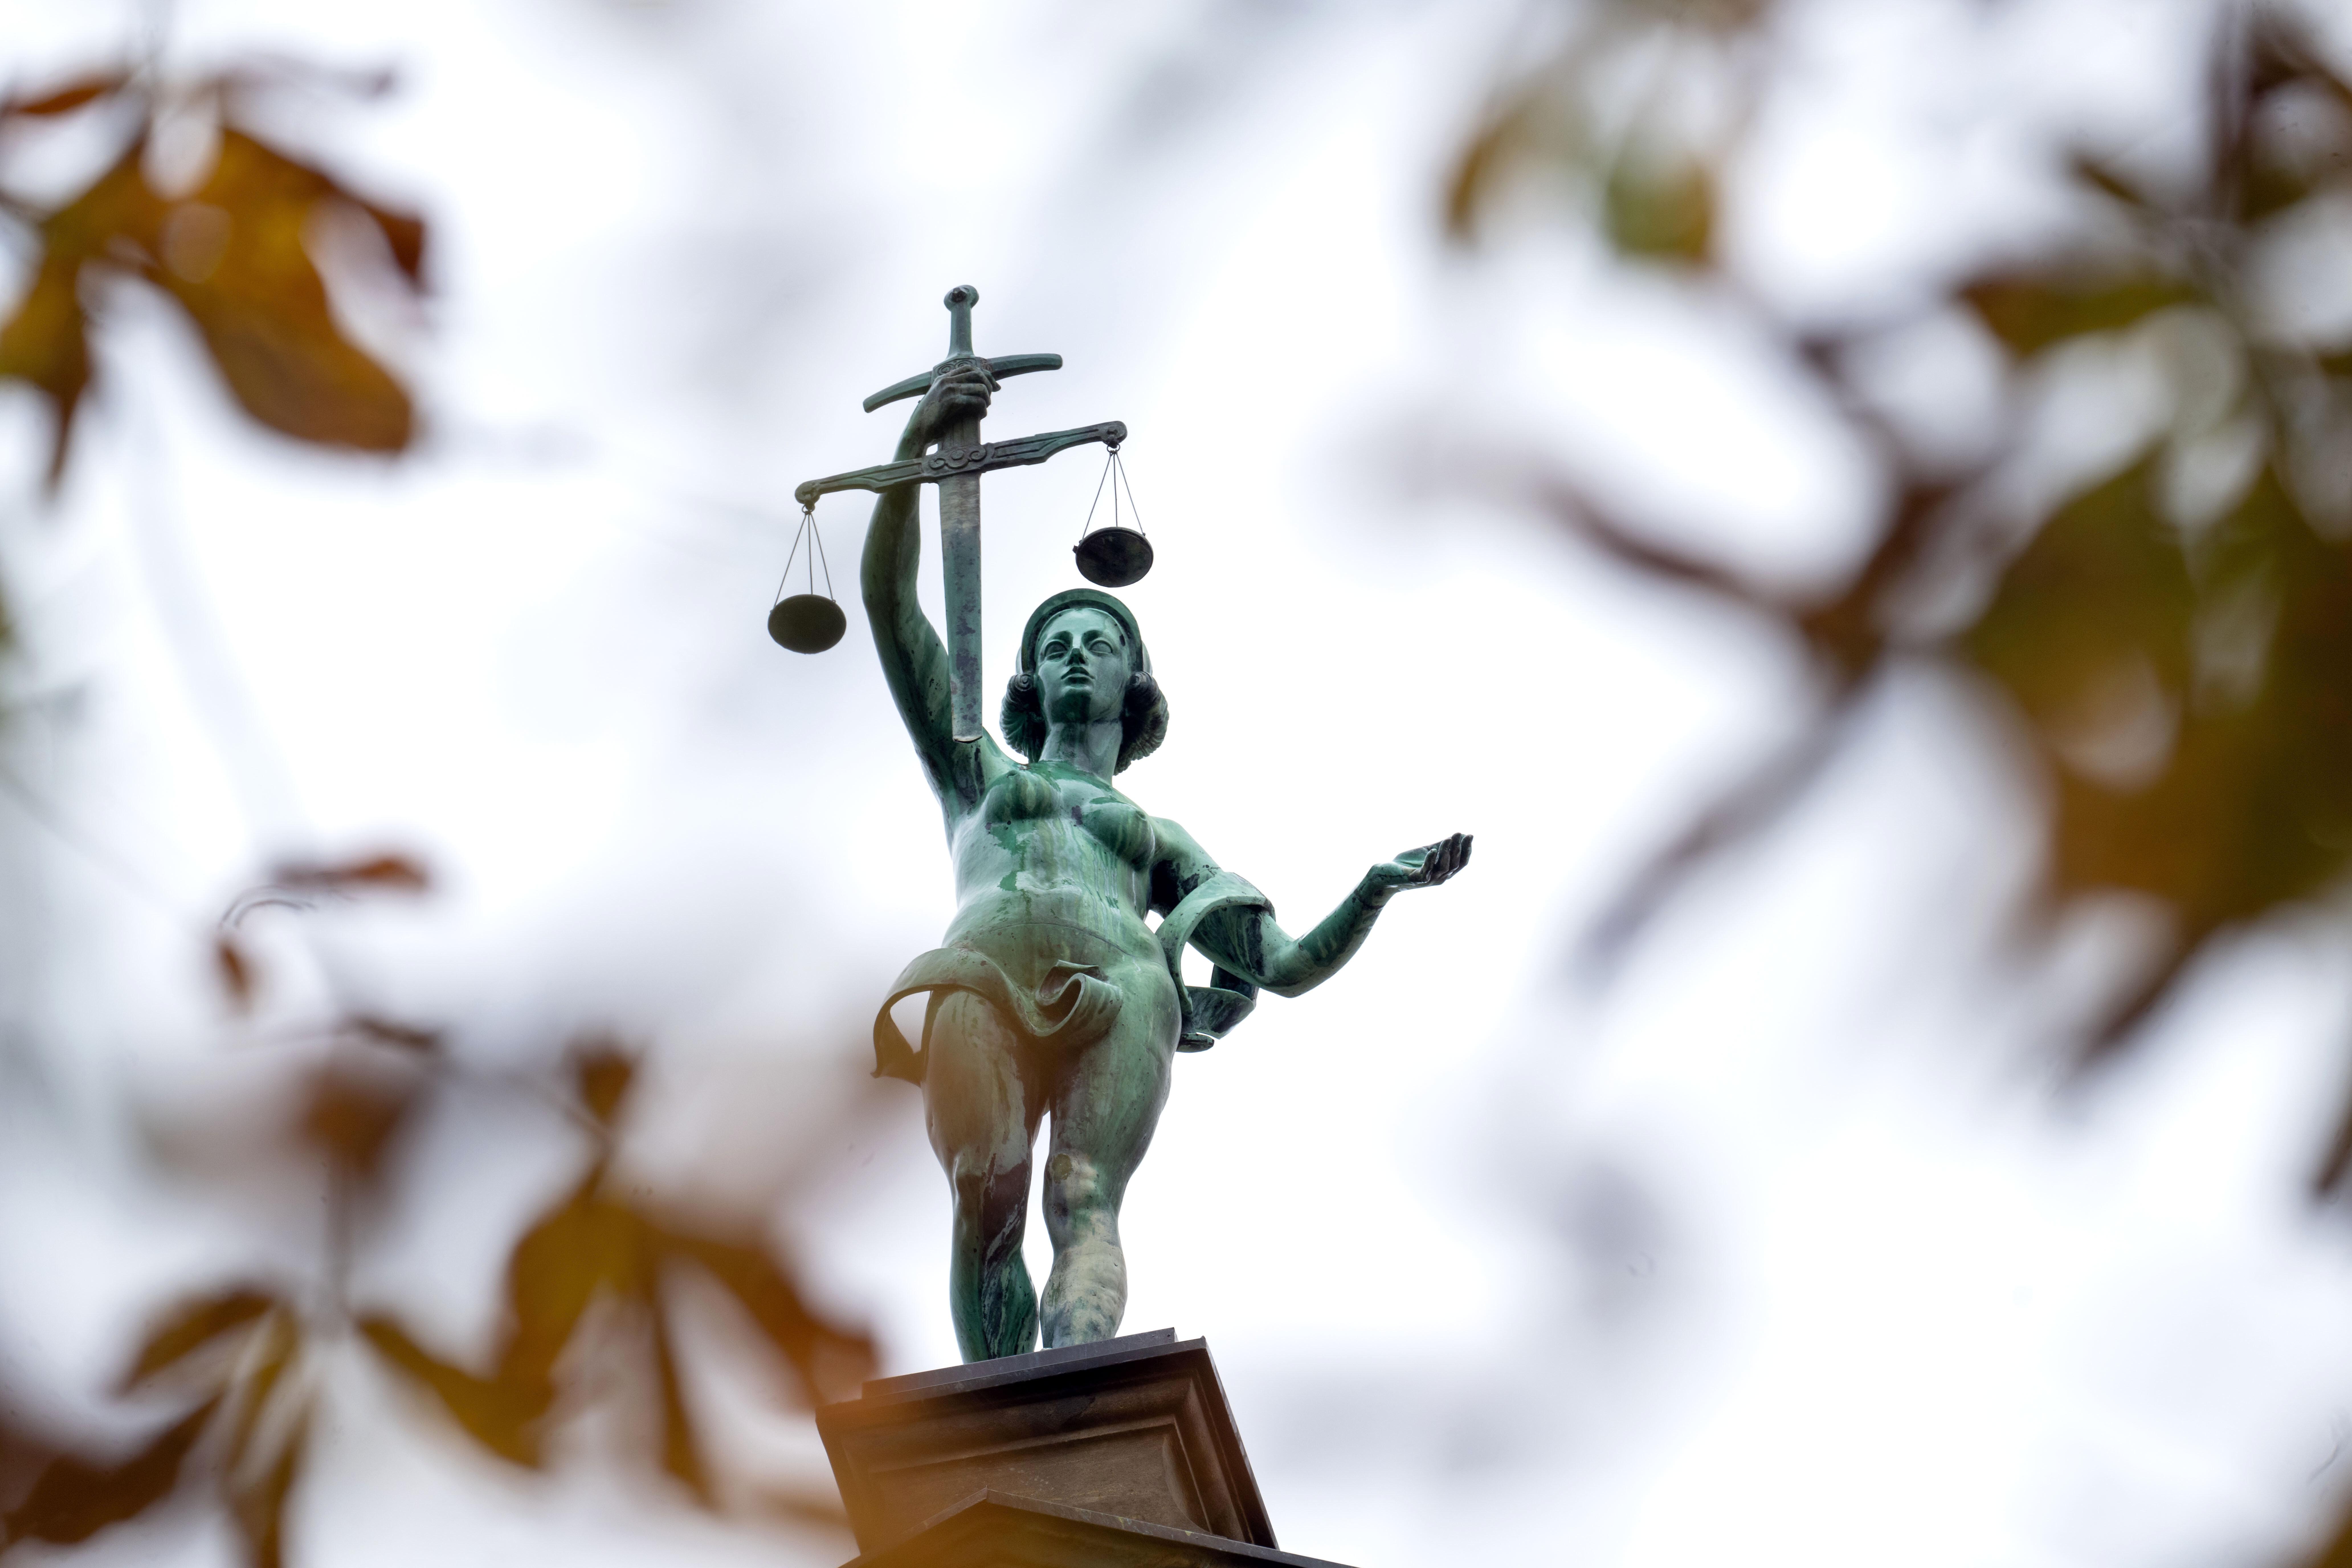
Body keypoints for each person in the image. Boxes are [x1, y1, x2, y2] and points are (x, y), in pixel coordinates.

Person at [860, 359, 1471, 1363]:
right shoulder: (974, 771)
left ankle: (1076, 1384)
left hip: (1126, 980)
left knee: (1084, 1194)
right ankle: (1003, 1407)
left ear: (1133, 682)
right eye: (1054, 641)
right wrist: (916, 452)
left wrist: (1374, 890)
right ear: (1027, 677)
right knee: (985, 1192)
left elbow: (1284, 966)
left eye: (1098, 639)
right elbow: (893, 611)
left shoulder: (1160, 842)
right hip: (981, 971)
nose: (1074, 652)